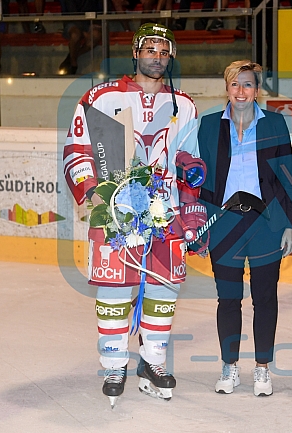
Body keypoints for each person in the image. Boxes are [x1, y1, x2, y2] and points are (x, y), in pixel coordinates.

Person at [63, 23, 201, 406]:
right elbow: (77, 150)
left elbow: (191, 162)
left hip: (166, 212)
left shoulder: (184, 105)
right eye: (149, 49)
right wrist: (93, 192)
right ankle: (114, 363)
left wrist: (191, 211)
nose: (156, 56)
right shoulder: (100, 97)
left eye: (163, 50)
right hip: (115, 212)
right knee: (115, 289)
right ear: (136, 52)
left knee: (163, 289)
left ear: (170, 56)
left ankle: (153, 361)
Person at [198, 60, 292, 396]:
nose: (241, 92)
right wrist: (200, 222)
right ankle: (229, 366)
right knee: (228, 299)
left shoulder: (275, 124)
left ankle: (262, 369)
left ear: (257, 89)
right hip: (224, 224)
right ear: (227, 87)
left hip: (266, 223)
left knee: (265, 298)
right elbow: (200, 179)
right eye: (235, 85)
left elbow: (287, 176)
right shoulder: (209, 126)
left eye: (248, 85)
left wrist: (288, 225)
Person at [58, 0, 102, 75]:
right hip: (72, 21)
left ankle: (72, 56)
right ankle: (73, 63)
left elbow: (102, 8)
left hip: (92, 21)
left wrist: (96, 23)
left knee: (96, 35)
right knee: (75, 35)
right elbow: (72, 13)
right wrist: (83, 31)